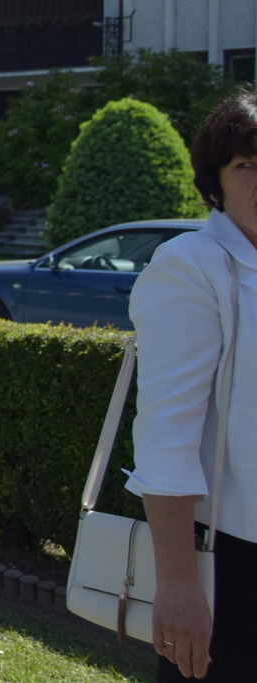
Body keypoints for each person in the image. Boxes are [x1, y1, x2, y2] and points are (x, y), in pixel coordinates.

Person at [127, 90, 257, 683]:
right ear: (215, 184)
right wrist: (178, 583)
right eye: (245, 165)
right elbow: (166, 436)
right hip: (230, 563)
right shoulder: (193, 265)